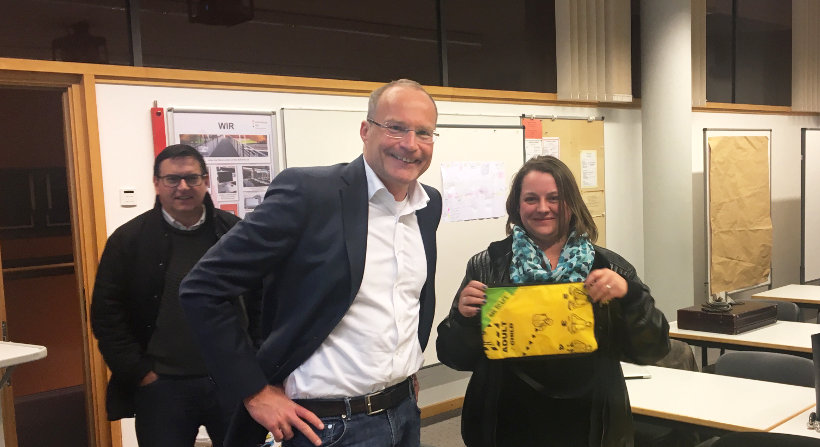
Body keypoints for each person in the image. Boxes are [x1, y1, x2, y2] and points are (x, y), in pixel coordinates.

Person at [179, 79, 442, 447]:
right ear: (366, 131)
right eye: (395, 127)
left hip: (403, 412)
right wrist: (254, 391)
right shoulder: (310, 194)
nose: (410, 144)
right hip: (328, 427)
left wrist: (403, 367)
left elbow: (411, 298)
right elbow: (203, 288)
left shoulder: (428, 205)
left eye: (423, 132)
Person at [436, 155, 670, 447]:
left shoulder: (609, 269)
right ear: (517, 206)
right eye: (531, 199)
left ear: (571, 203)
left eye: (554, 198)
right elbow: (454, 356)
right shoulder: (487, 266)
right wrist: (462, 318)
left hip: (589, 425)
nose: (543, 208)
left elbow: (653, 350)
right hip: (507, 424)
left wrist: (633, 297)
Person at [90, 144, 261, 447]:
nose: (183, 187)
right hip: (161, 387)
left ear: (206, 181)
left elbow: (262, 301)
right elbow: (107, 315)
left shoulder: (235, 233)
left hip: (231, 381)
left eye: (192, 178)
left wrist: (255, 363)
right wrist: (140, 373)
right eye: (172, 179)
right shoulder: (129, 241)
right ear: (156, 183)